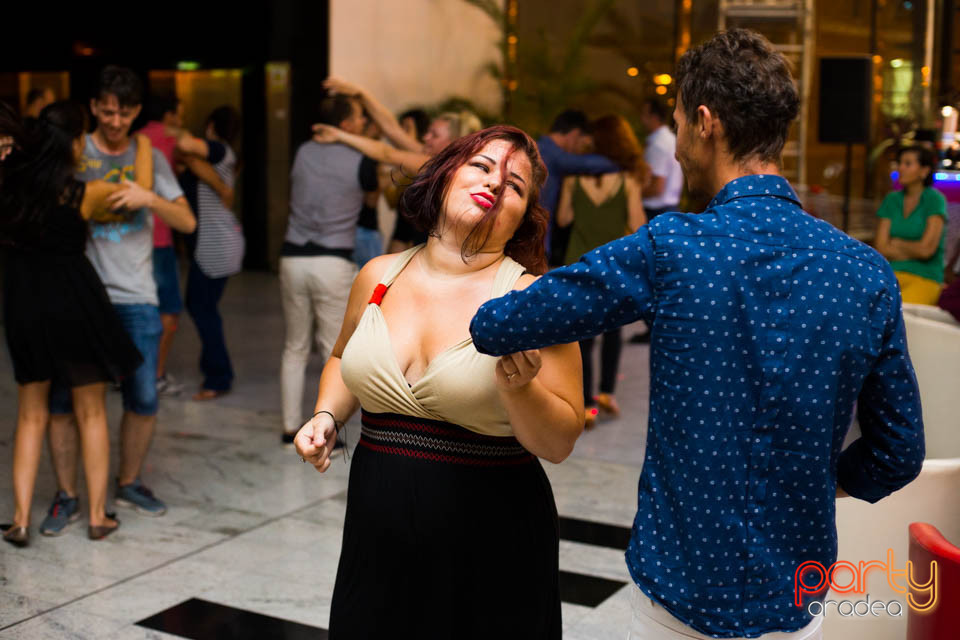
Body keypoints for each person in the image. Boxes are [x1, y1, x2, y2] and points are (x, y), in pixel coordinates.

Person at [470, 29, 924, 640]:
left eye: (680, 123)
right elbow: (898, 453)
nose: (678, 145)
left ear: (705, 123)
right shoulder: (865, 273)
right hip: (795, 600)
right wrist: (819, 482)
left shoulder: (674, 247)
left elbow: (503, 323)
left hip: (677, 598)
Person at [294, 125, 583, 638]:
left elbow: (559, 442)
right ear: (445, 175)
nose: (494, 183)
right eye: (481, 166)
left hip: (493, 546)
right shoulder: (378, 276)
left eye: (514, 185)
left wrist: (522, 390)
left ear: (522, 217)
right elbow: (340, 357)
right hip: (376, 538)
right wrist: (325, 414)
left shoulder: (534, 302)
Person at [42, 67, 196, 535]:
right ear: (93, 107)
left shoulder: (151, 157)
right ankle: (66, 495)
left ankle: (129, 481)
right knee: (62, 399)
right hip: (81, 295)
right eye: (107, 111)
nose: (114, 121)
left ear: (136, 111)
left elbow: (187, 222)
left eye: (124, 112)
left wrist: (148, 198)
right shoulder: (75, 151)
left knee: (143, 397)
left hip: (137, 295)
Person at [0, 100, 149, 545]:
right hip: (75, 303)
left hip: (24, 305)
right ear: (75, 143)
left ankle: (20, 520)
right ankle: (98, 517)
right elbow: (137, 193)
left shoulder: (9, 187)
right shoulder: (86, 191)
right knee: (91, 411)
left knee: (31, 414)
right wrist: (141, 148)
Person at [280, 93, 376, 443]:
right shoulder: (361, 159)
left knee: (294, 347)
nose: (364, 123)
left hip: (292, 256)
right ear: (347, 124)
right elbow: (371, 201)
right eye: (360, 117)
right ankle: (327, 430)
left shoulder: (303, 151)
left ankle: (290, 427)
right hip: (332, 259)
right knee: (332, 349)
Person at [556, 114, 646, 428]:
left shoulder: (573, 180)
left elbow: (564, 219)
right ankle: (607, 393)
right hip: (614, 265)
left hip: (580, 263)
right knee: (613, 331)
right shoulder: (627, 180)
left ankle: (586, 405)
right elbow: (637, 224)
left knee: (583, 336)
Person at [175, 106, 245, 400]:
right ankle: (215, 371)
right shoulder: (221, 158)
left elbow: (185, 146)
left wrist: (174, 128)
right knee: (204, 307)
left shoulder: (218, 150)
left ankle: (218, 377)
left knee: (201, 308)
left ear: (211, 126)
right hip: (216, 243)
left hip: (215, 245)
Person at [137, 93, 186, 396]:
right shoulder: (168, 136)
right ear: (168, 116)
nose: (180, 120)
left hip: (132, 238)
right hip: (160, 237)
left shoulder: (133, 140)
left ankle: (129, 373)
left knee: (135, 307)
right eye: (178, 114)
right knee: (168, 310)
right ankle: (155, 374)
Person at [537, 109, 621, 266]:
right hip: (535, 239)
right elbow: (587, 164)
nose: (580, 151)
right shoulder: (552, 154)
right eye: (583, 144)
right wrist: (624, 162)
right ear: (575, 134)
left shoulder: (540, 147)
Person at [873, 145, 948, 305]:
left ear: (924, 171)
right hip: (890, 273)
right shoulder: (891, 199)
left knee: (900, 310)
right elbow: (881, 247)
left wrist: (897, 243)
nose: (900, 168)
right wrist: (914, 249)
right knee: (867, 305)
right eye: (899, 163)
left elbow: (926, 250)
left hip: (925, 276)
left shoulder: (935, 199)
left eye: (907, 164)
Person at [639, 98, 683, 220]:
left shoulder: (659, 144)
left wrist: (631, 193)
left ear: (654, 117)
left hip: (656, 211)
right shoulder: (669, 139)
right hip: (668, 209)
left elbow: (657, 187)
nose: (641, 119)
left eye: (644, 114)